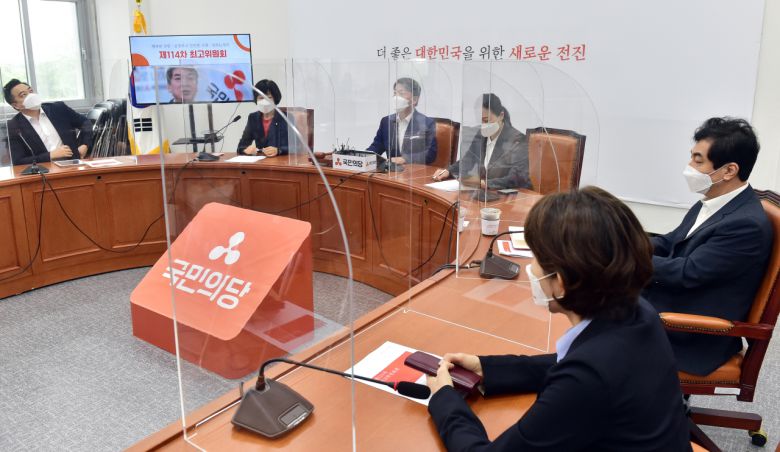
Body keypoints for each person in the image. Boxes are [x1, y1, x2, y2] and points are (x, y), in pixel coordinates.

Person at [426, 186, 691, 451]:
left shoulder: (588, 378)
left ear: (561, 283)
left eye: (536, 259)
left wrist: (445, 399)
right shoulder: (638, 310)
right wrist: (489, 369)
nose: (531, 268)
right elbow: (567, 363)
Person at [643, 117, 773, 376]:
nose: (689, 167)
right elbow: (670, 242)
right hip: (674, 305)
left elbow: (687, 273)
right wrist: (621, 243)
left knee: (595, 320)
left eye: (698, 160)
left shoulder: (745, 225)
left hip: (692, 334)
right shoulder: (715, 200)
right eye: (692, 157)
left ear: (729, 171)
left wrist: (624, 258)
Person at [432, 93, 530, 189]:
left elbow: (517, 178)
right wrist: (448, 171)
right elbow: (467, 160)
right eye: (479, 121)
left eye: (486, 120)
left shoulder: (517, 140)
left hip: (513, 197)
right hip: (486, 195)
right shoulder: (481, 135)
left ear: (501, 115)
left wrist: (484, 183)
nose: (483, 125)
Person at [3, 79, 92, 166]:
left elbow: (85, 123)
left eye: (31, 91)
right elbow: (18, 161)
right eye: (23, 95)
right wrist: (50, 156)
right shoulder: (13, 126)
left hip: (73, 166)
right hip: (43, 173)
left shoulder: (58, 109)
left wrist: (85, 145)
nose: (31, 96)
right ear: (16, 105)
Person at [367, 77, 437, 165]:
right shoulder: (386, 122)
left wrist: (405, 159)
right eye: (395, 93)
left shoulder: (426, 123)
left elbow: (430, 154)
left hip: (415, 173)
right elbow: (376, 147)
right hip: (391, 174)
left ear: (414, 100)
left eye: (401, 93)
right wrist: (361, 156)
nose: (396, 97)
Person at [237, 79, 290, 157]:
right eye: (261, 98)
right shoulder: (253, 118)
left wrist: (279, 150)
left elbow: (297, 147)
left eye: (268, 97)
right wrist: (246, 150)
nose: (265, 101)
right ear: (256, 100)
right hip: (260, 163)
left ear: (275, 99)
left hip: (281, 163)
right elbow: (241, 146)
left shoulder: (286, 118)